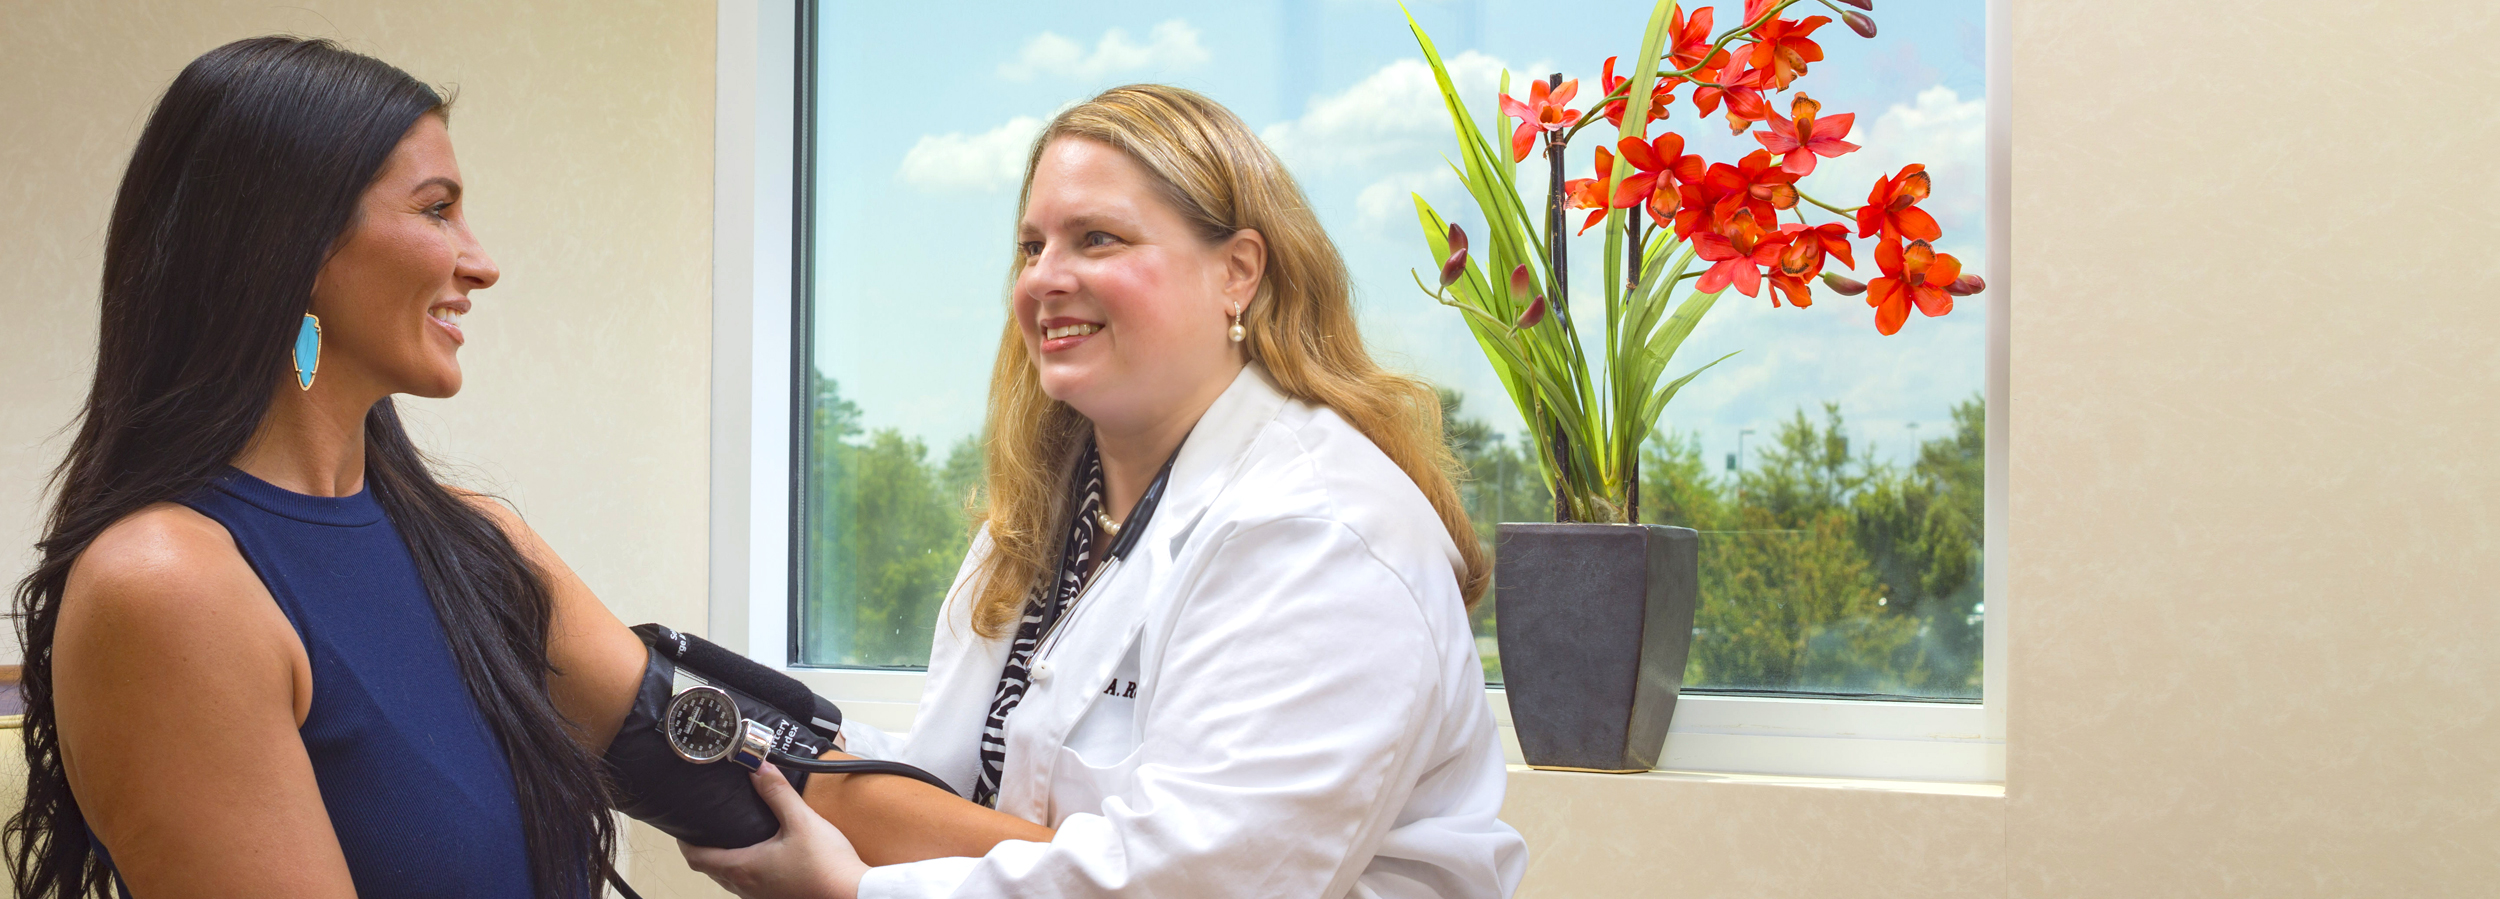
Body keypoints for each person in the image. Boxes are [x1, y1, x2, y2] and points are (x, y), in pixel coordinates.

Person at [680, 85, 1529, 899]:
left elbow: (1196, 882)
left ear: (1238, 272)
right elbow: (959, 780)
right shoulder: (1031, 531)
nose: (1045, 277)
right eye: (1032, 245)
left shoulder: (1323, 529)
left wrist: (858, 887)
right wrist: (766, 752)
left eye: (1097, 239)